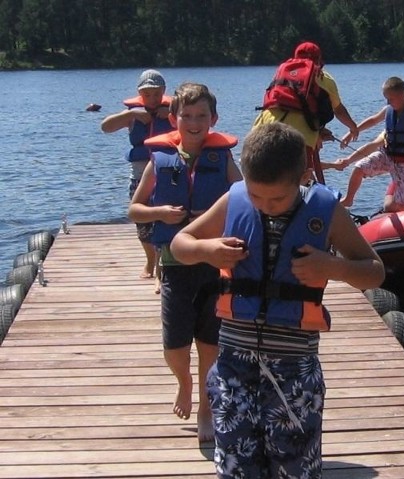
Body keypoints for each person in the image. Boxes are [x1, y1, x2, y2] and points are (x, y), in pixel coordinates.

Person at [170, 122, 385, 478]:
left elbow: (374, 271)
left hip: (294, 367)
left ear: (302, 177)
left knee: (295, 465)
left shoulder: (325, 211)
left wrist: (332, 266)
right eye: (257, 197)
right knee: (237, 466)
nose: (266, 206)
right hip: (233, 366)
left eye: (278, 199)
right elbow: (181, 244)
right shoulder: (235, 198)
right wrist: (207, 250)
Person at [128, 82, 243, 443]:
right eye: (187, 116)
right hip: (174, 263)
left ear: (214, 119)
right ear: (174, 119)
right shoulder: (159, 161)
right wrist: (160, 212)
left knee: (211, 340)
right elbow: (134, 209)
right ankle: (184, 382)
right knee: (174, 344)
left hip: (213, 261)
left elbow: (243, 199)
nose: (194, 123)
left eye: (202, 116)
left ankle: (207, 407)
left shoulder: (223, 159)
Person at [101, 69, 175, 292]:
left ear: (163, 92)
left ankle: (161, 272)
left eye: (156, 94)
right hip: (139, 174)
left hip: (166, 174)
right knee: (143, 224)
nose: (152, 99)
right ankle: (150, 262)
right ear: (140, 94)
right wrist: (130, 116)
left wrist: (171, 112)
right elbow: (105, 127)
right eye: (147, 94)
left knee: (163, 220)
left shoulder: (173, 111)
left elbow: (199, 124)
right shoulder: (133, 115)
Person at [253, 41, 359, 184]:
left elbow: (290, 106)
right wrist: (353, 127)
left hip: (263, 130)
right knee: (305, 183)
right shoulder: (323, 77)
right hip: (298, 137)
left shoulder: (283, 72)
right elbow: (338, 110)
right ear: (319, 60)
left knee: (266, 178)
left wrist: (319, 130)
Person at [336, 77, 404, 211]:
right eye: (386, 98)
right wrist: (353, 130)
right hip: (386, 157)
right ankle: (348, 199)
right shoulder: (388, 110)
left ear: (403, 95)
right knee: (359, 168)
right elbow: (373, 120)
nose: (388, 101)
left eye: (391, 98)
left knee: (400, 203)